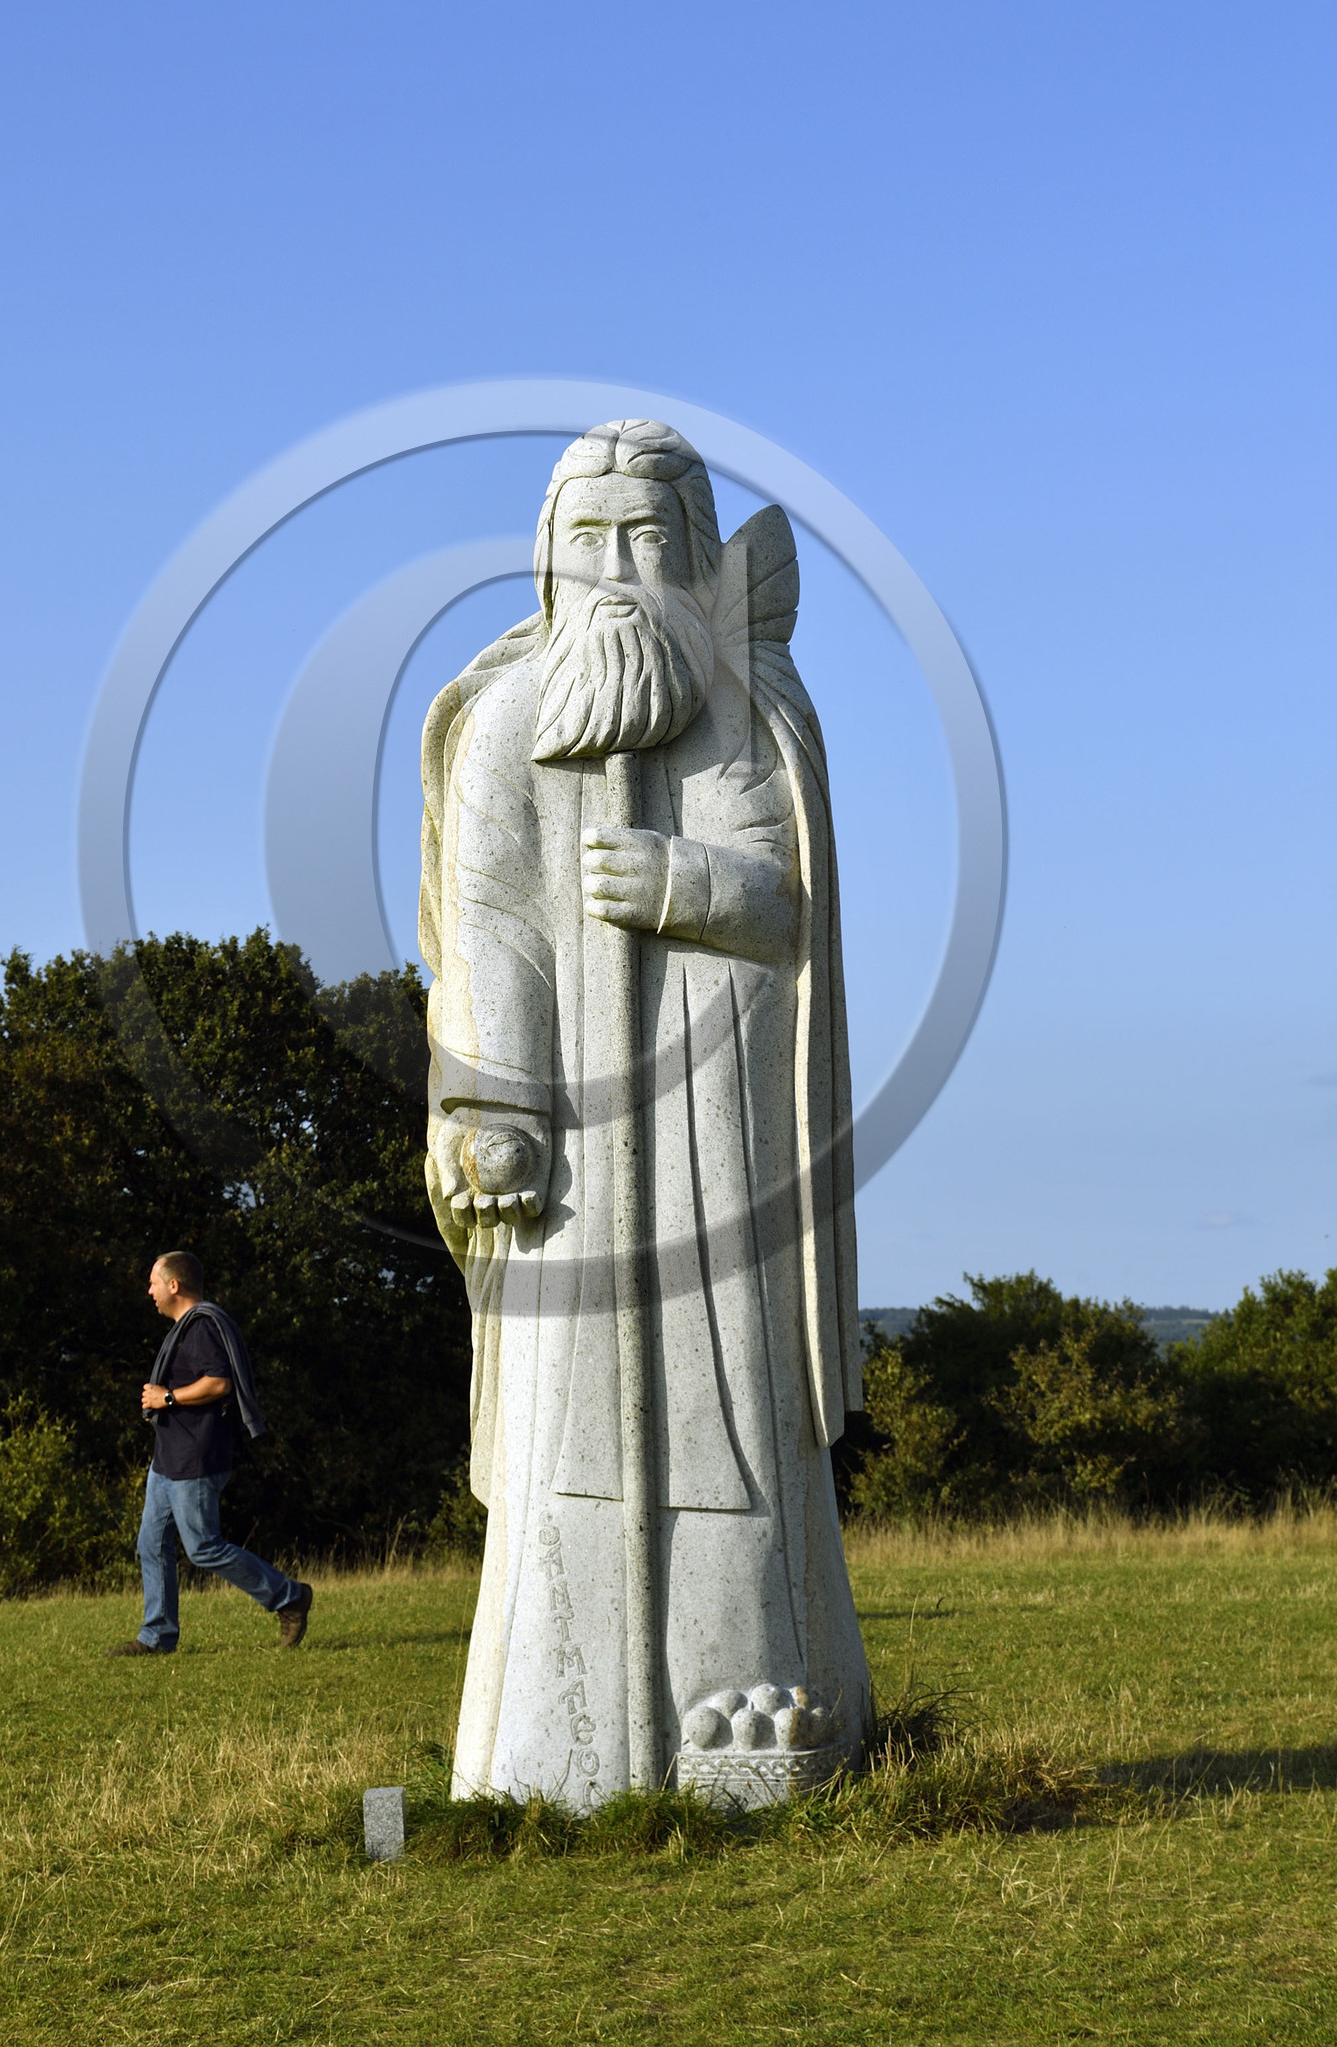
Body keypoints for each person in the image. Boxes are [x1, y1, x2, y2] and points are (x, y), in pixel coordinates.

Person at [420, 419, 868, 1805]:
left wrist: (677, 880)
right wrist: (493, 1109)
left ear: (692, 557)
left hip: (717, 1130)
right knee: (573, 1419)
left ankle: (752, 1687)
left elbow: (786, 897)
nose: (618, 575)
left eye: (648, 543)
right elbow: (491, 932)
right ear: (547, 563)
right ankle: (553, 1727)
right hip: (574, 1154)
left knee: (725, 1403)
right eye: (588, 543)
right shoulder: (506, 721)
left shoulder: (745, 710)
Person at [105, 1251, 313, 1655]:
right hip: (168, 1459)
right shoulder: (184, 1328)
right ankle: (156, 1637)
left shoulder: (201, 1327)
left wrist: (167, 1397)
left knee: (202, 1547)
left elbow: (218, 1383)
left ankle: (289, 1597)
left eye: (153, 1282)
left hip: (194, 1459)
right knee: (151, 1544)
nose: (148, 1290)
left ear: (174, 1285)